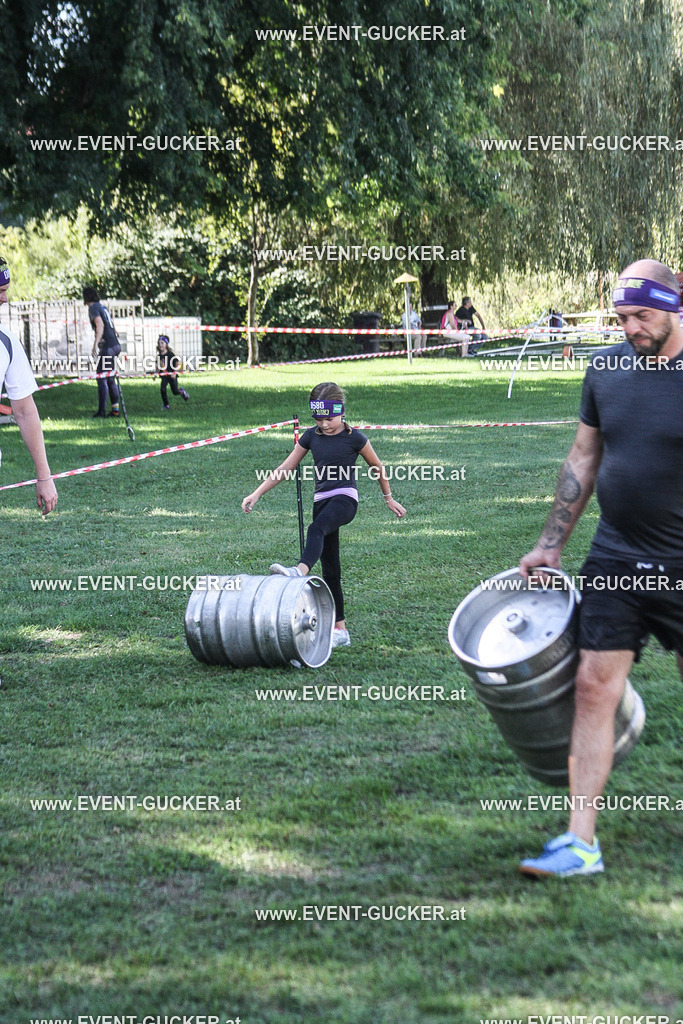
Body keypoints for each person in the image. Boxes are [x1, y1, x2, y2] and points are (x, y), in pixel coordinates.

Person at [517, 259, 683, 878]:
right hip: (616, 554)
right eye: (622, 317)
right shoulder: (608, 368)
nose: (632, 328)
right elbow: (584, 457)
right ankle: (580, 841)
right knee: (591, 687)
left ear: (674, 306)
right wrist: (551, 543)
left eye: (643, 315)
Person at [241, 382, 406, 648]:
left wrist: (388, 498)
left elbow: (376, 465)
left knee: (315, 529)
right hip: (321, 501)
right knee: (331, 569)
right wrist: (257, 493)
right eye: (319, 419)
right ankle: (340, 630)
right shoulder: (311, 436)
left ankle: (298, 571)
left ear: (341, 412)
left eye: (329, 418)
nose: (325, 424)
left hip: (345, 500)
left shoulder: (355, 438)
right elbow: (285, 467)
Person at [0, 257, 58, 515]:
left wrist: (44, 476)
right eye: (0, 291)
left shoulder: (8, 342)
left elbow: (25, 411)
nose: (5, 299)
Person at [83, 286, 121, 418]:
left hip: (108, 347)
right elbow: (110, 323)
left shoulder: (93, 308)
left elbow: (100, 325)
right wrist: (115, 333)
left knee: (101, 378)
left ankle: (101, 411)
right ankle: (115, 410)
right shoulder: (102, 306)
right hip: (115, 345)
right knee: (110, 378)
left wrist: (95, 344)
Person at [156, 335, 189, 410]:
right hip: (164, 376)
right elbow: (158, 366)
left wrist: (174, 372)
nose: (160, 345)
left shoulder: (170, 355)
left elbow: (176, 364)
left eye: (162, 343)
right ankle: (166, 405)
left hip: (172, 376)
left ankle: (181, 391)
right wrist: (155, 374)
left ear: (166, 345)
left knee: (175, 391)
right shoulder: (159, 357)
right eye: (159, 343)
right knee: (162, 389)